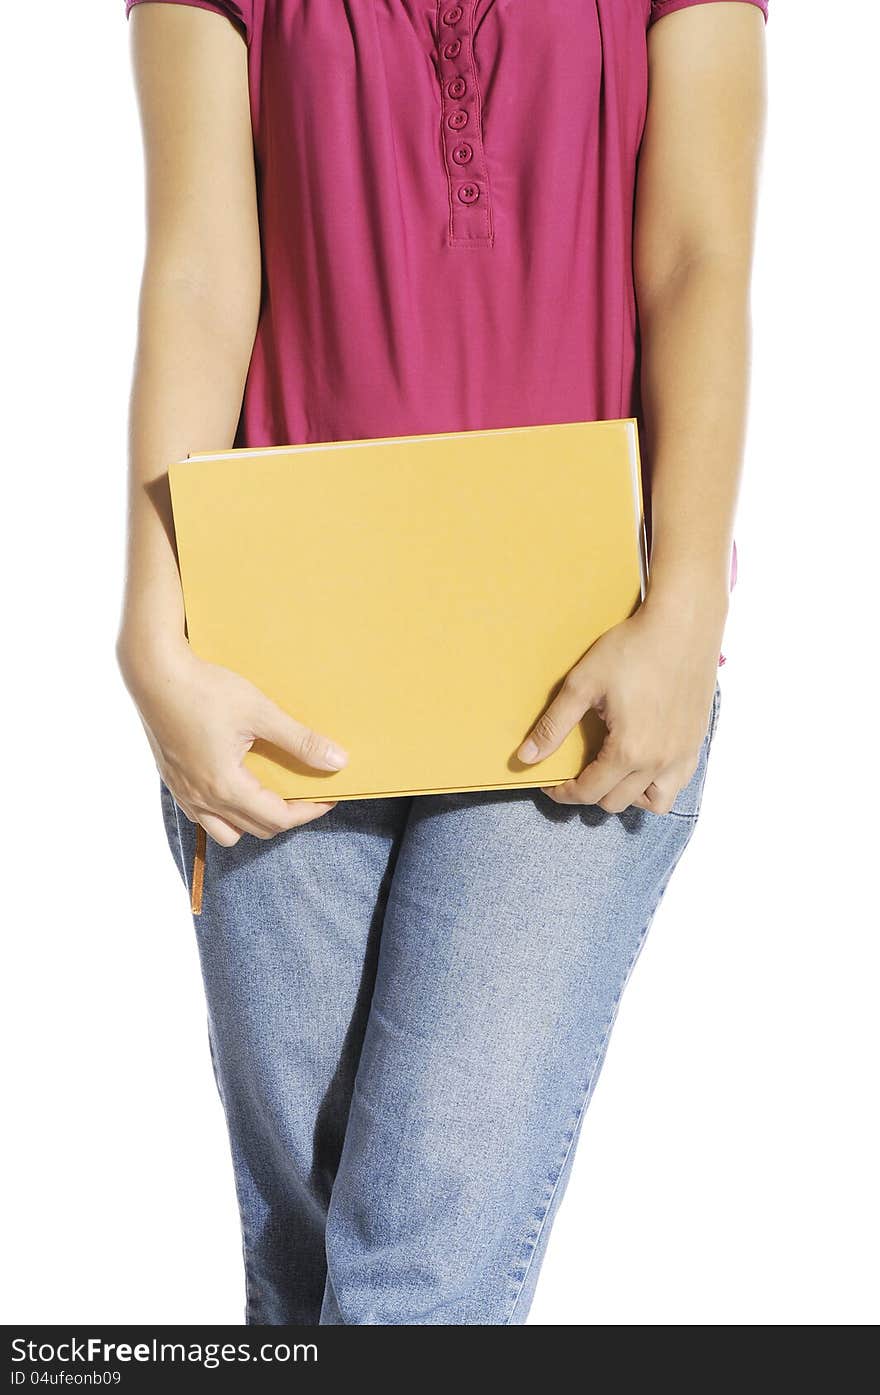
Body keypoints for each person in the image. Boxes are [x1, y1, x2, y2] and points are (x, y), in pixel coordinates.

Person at [118, 0, 768, 1326]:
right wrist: (153, 624)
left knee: (414, 1271)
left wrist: (687, 603)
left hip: (578, 653)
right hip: (276, 650)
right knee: (305, 1276)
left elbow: (701, 255)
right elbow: (195, 266)